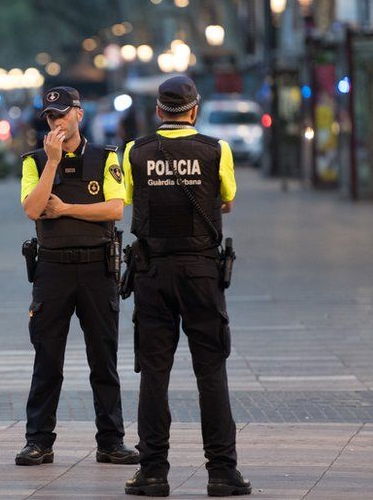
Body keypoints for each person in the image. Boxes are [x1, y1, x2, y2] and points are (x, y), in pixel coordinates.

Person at [120, 76, 251, 497]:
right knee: (211, 370)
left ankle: (153, 472)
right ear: (194, 110)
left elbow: (128, 198)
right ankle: (221, 472)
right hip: (200, 273)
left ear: (158, 111)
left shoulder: (134, 151)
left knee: (154, 374)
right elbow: (226, 200)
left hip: (152, 273)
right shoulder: (216, 150)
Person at [17, 86, 139, 466]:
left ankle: (111, 441)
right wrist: (52, 163)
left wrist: (67, 207)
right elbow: (34, 210)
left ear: (79, 114)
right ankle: (39, 441)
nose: (57, 122)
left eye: (62, 114)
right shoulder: (35, 161)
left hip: (96, 267)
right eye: (50, 117)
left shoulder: (106, 157)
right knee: (47, 359)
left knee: (103, 358)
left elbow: (116, 209)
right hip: (52, 268)